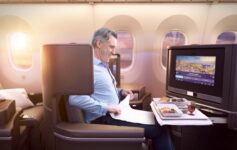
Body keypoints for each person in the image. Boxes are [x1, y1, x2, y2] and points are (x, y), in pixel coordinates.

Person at [69, 28, 174, 150]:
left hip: (116, 113)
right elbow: (75, 99)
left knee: (161, 122)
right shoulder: (89, 69)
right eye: (111, 47)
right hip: (103, 119)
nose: (113, 52)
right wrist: (107, 107)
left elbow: (103, 91)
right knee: (159, 130)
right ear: (99, 43)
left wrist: (121, 92)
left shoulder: (103, 66)